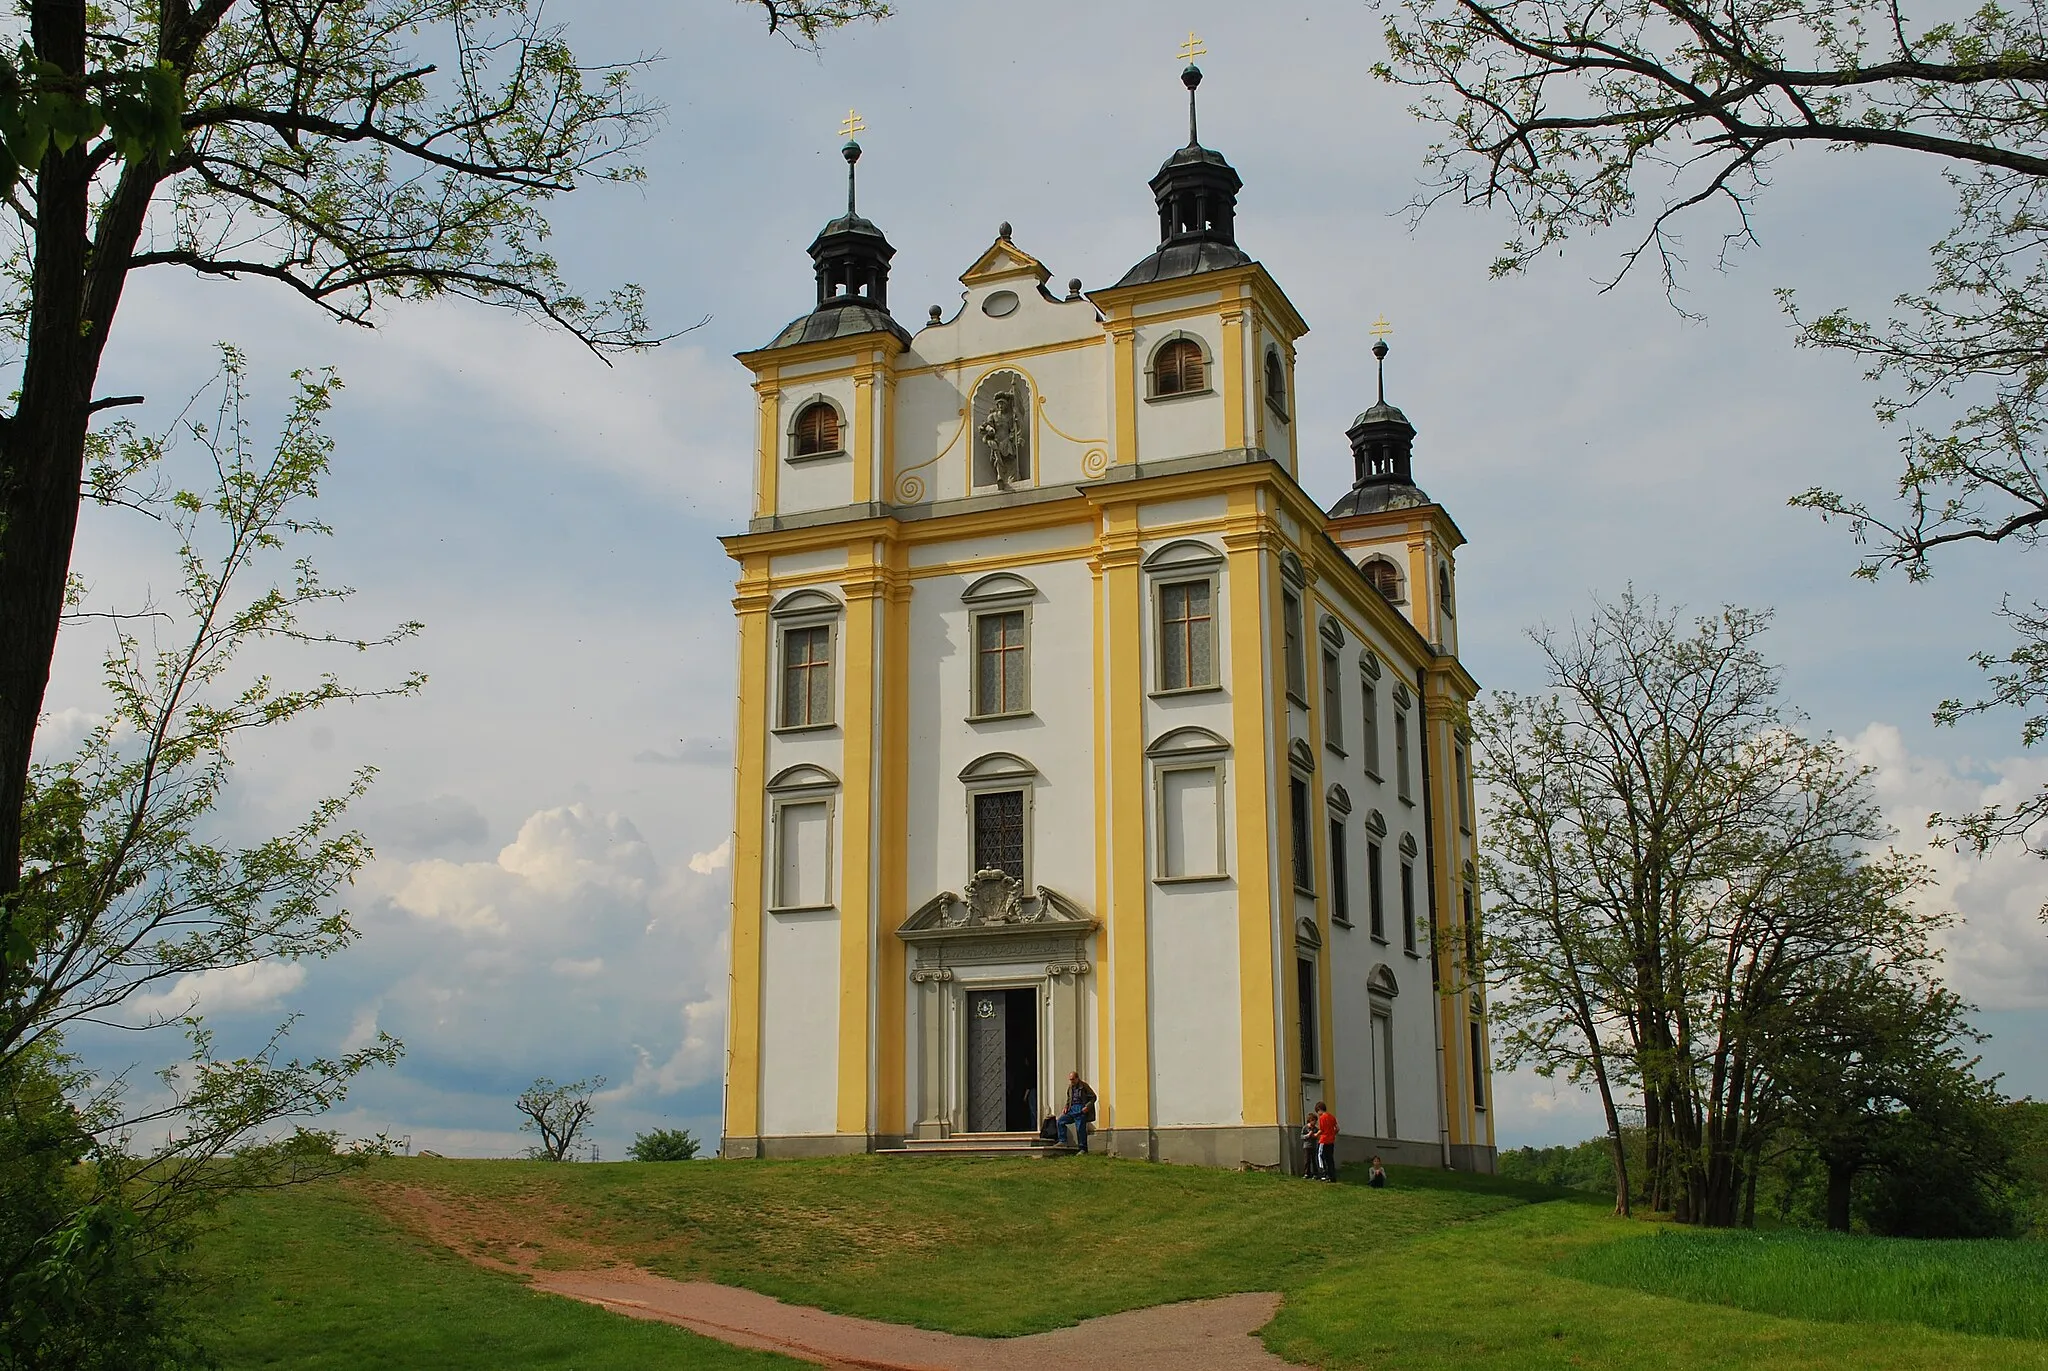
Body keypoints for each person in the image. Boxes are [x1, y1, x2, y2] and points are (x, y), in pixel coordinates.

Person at [1057, 1071, 1096, 1152]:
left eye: (1073, 1079)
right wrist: (1066, 1107)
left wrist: (1087, 1107)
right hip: (1072, 1109)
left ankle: (1083, 1148)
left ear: (1077, 1078)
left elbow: (1093, 1097)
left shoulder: (1084, 1086)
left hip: (1081, 1109)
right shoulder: (1070, 1087)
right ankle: (1062, 1141)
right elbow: (1069, 1098)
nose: (1072, 1081)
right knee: (1060, 1121)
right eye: (1070, 1079)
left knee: (1080, 1129)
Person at [1316, 1104, 1340, 1183]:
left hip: (1324, 1140)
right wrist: (1332, 1134)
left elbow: (1321, 1130)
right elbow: (1337, 1128)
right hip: (1331, 1141)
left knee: (1321, 1157)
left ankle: (1324, 1174)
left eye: (1317, 1111)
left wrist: (1315, 1134)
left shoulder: (1322, 1118)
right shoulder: (1332, 1117)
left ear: (1319, 1109)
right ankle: (1332, 1176)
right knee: (1330, 1159)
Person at [1301, 1106, 1322, 1179]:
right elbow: (1302, 1136)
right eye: (1314, 1121)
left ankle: (1315, 1173)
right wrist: (1307, 1135)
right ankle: (1307, 1173)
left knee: (1314, 1160)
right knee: (1307, 1160)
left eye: (1316, 1121)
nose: (1315, 1122)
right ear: (1310, 1120)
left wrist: (1315, 1136)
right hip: (1306, 1146)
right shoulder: (1305, 1128)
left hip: (1313, 1146)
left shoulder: (1316, 1129)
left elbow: (1318, 1136)